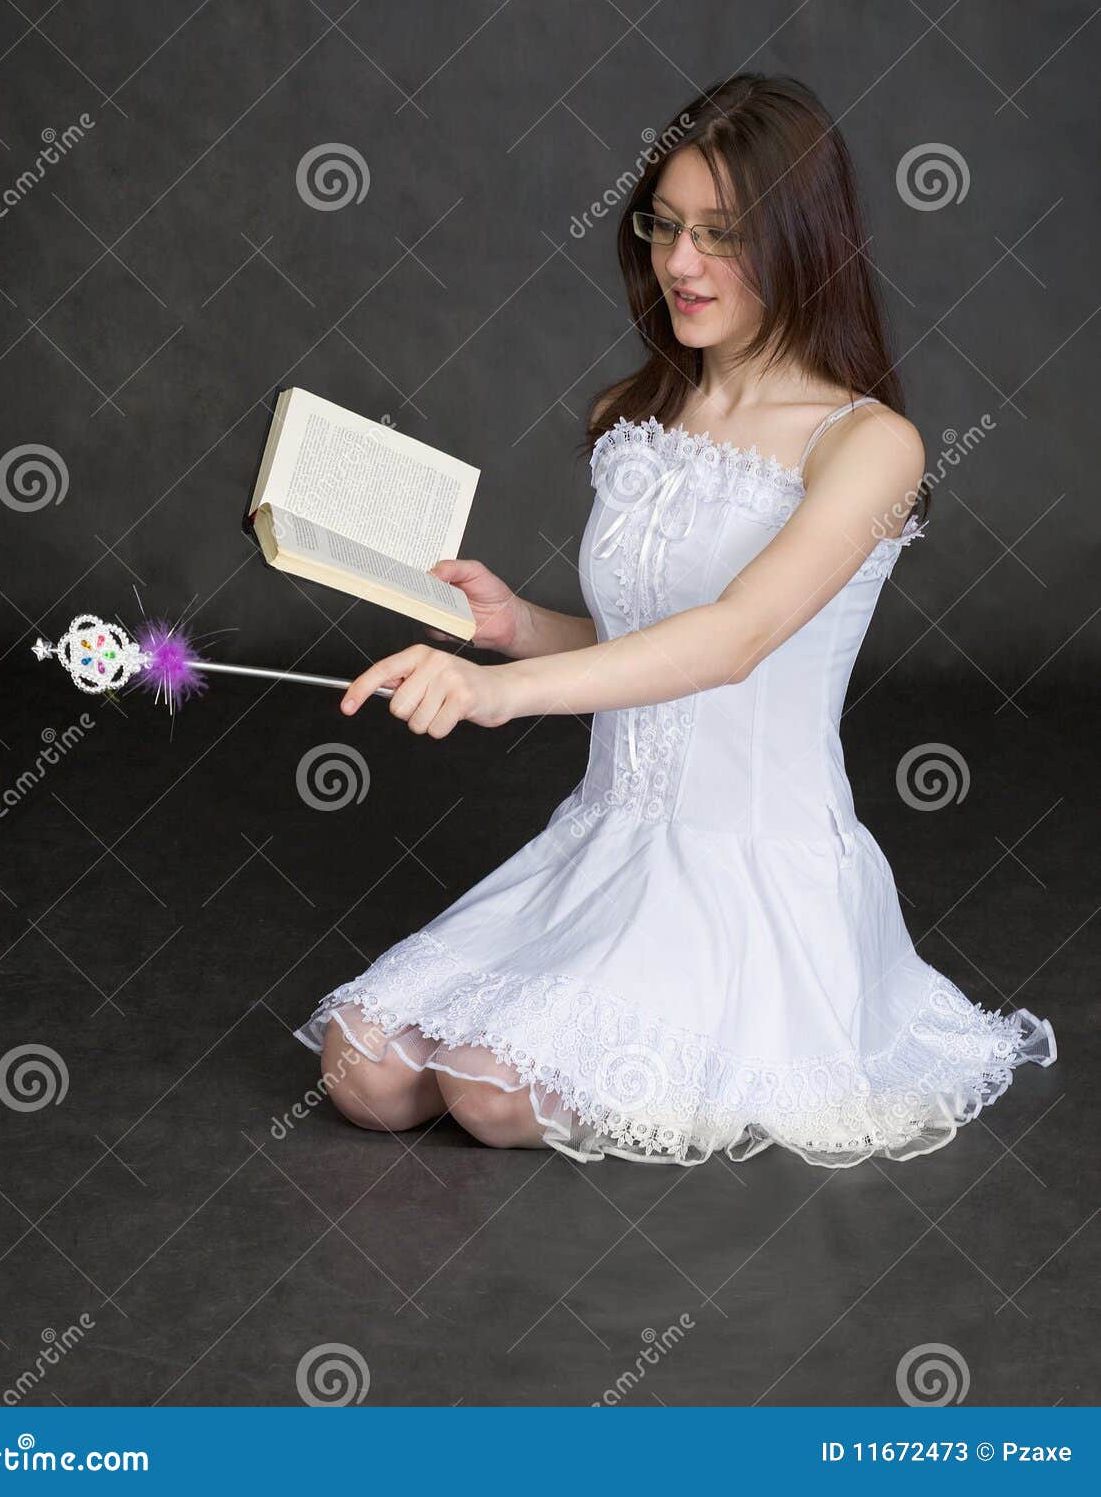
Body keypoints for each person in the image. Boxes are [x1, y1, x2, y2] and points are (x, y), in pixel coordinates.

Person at [294, 73, 1056, 1168]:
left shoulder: (868, 444)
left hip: (748, 872)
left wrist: (502, 694)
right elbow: (636, 641)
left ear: (801, 241)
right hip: (603, 841)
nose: (681, 265)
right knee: (363, 1070)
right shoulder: (636, 412)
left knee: (489, 1093)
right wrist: (518, 631)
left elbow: (737, 637)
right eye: (665, 228)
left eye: (720, 235)